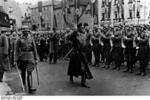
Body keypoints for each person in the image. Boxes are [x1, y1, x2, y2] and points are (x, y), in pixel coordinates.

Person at [67, 23, 93, 88]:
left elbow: (86, 41)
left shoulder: (84, 34)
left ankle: (83, 82)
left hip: (83, 53)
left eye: (83, 28)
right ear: (78, 28)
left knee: (83, 67)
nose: (83, 29)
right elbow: (70, 37)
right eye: (81, 28)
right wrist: (75, 30)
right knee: (73, 66)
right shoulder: (75, 34)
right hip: (76, 53)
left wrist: (88, 35)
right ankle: (71, 76)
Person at [15, 29, 38, 93]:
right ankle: (24, 84)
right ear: (23, 32)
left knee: (29, 72)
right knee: (23, 72)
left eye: (27, 31)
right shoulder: (19, 39)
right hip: (22, 57)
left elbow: (35, 49)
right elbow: (16, 50)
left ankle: (30, 87)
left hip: (30, 57)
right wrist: (15, 60)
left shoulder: (31, 39)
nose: (26, 32)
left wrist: (36, 58)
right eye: (25, 31)